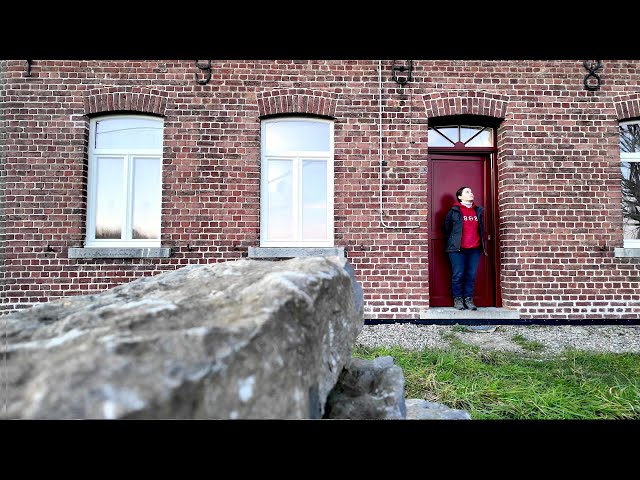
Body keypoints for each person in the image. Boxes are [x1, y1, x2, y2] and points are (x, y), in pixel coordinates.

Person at [443, 186, 487, 310]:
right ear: (460, 197)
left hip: (475, 249)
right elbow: (447, 228)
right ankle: (457, 299)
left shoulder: (478, 210)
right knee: (458, 275)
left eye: (471, 191)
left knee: (471, 275)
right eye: (467, 192)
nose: (471, 193)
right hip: (457, 249)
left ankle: (468, 299)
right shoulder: (454, 211)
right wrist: (453, 242)